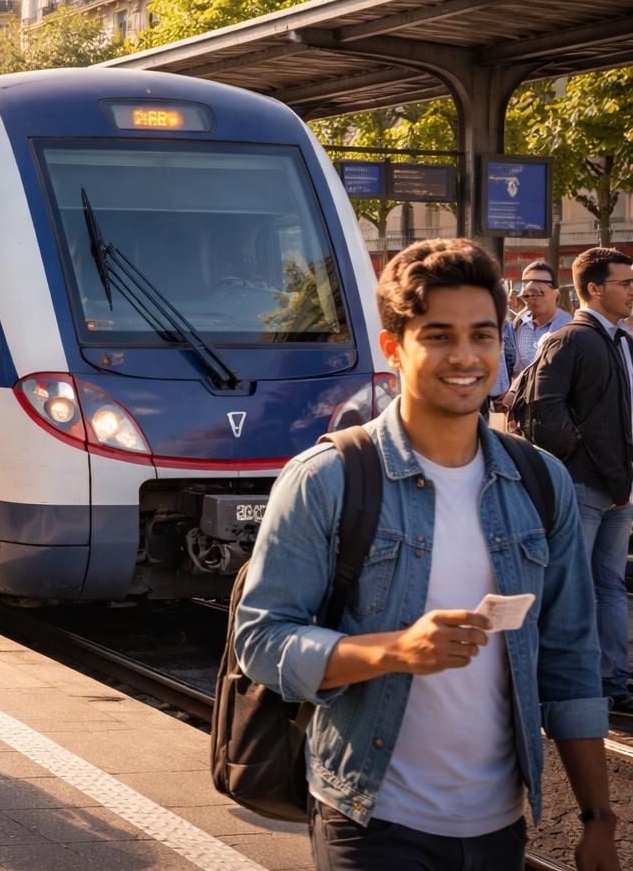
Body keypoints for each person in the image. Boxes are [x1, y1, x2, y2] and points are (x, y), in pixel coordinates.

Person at [233, 238, 614, 871]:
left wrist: (598, 816)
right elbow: (263, 641)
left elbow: (572, 656)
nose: (464, 357)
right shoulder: (328, 478)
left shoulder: (544, 485)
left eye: (482, 336)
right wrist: (396, 651)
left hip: (500, 826)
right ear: (394, 348)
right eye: (437, 336)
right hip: (373, 819)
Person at [522, 247, 633, 715]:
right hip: (586, 484)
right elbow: (545, 412)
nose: (631, 292)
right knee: (572, 586)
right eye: (624, 283)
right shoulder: (571, 339)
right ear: (593, 288)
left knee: (607, 584)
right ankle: (575, 681)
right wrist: (582, 455)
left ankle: (613, 679)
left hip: (617, 486)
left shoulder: (619, 339)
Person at [490, 259, 571, 408]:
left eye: (538, 291)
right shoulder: (518, 324)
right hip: (519, 411)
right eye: (527, 292)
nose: (531, 297)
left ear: (555, 293)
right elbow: (513, 366)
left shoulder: (569, 328)